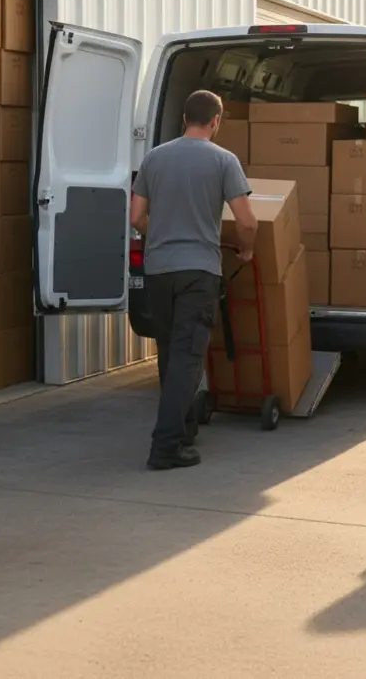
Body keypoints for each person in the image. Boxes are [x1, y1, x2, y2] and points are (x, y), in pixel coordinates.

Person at [130, 90, 257, 470]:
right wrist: (247, 250)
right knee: (188, 358)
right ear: (216, 121)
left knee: (170, 351)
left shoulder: (154, 158)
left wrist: (163, 233)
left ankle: (184, 430)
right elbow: (247, 220)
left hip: (159, 270)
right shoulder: (224, 160)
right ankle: (165, 447)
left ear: (184, 118)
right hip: (198, 271)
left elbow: (136, 217)